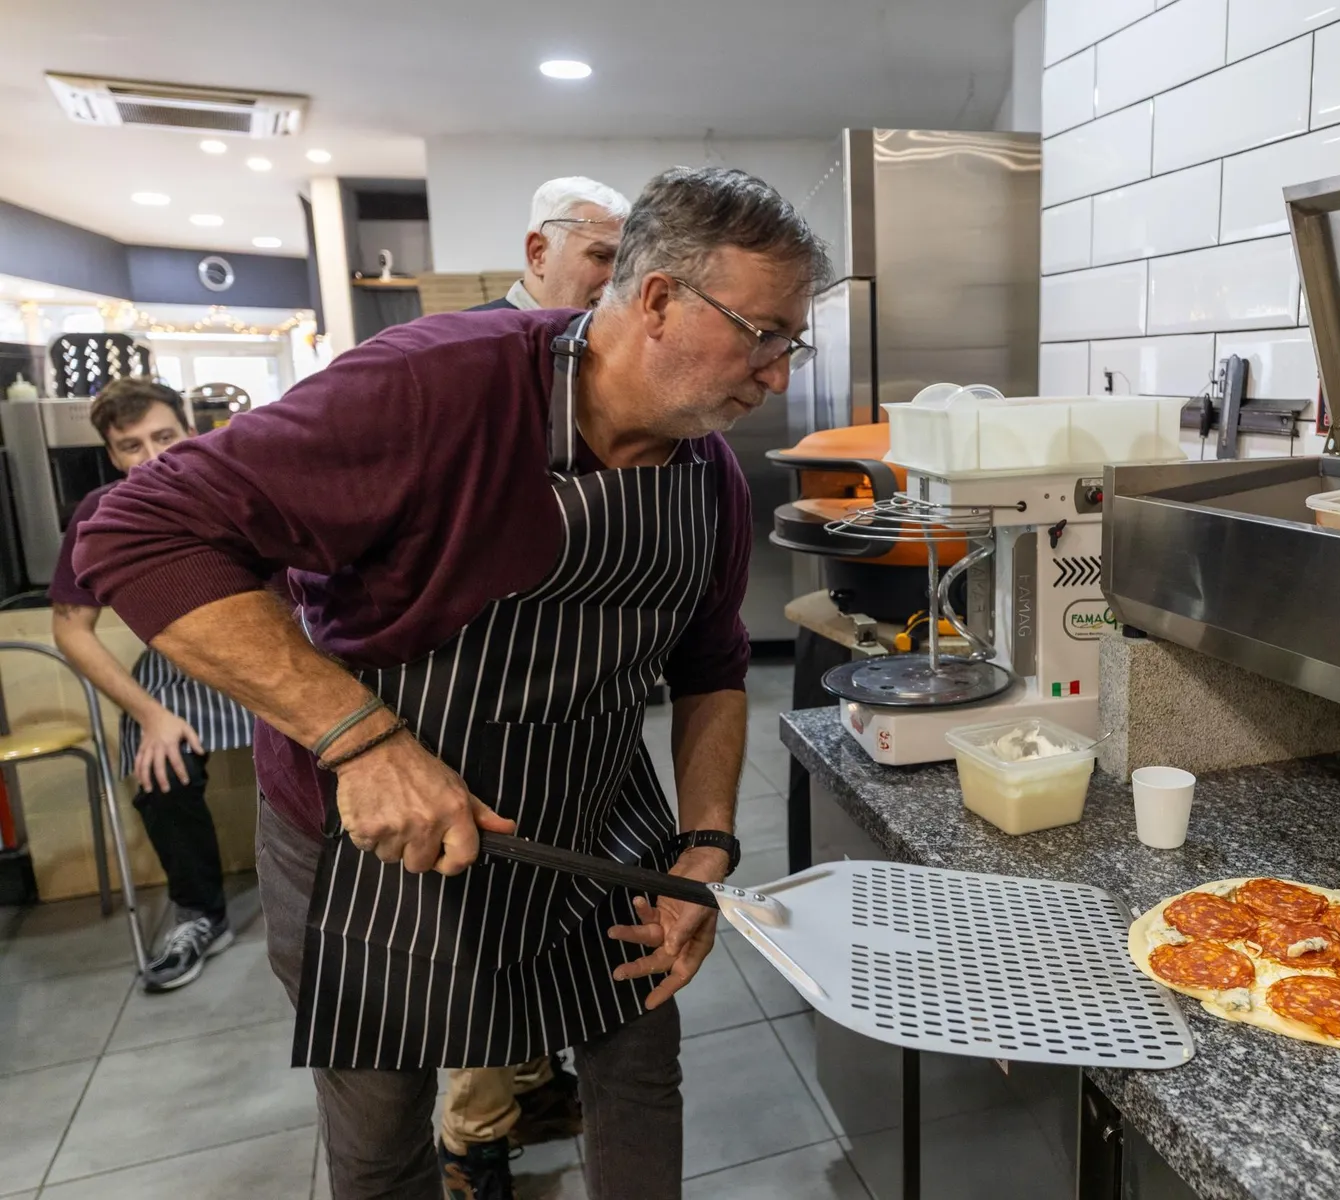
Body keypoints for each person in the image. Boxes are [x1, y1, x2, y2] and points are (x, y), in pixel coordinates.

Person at [75, 166, 829, 1200]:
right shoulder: (436, 386)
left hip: (594, 833)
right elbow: (137, 531)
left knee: (640, 1076)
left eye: (793, 340)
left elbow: (711, 666)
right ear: (659, 301)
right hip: (376, 856)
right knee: (385, 1136)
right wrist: (362, 739)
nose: (777, 372)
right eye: (764, 333)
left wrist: (703, 842)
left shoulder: (711, 475)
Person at [437, 173, 632, 1195]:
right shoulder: (463, 363)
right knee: (477, 932)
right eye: (599, 256)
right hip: (466, 706)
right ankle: (476, 1138)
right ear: (536, 248)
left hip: (564, 711)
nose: (611, 282)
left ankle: (529, 1076)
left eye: (624, 264)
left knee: (536, 914)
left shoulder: (597, 370)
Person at [48, 379, 256, 992]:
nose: (152, 457)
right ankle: (200, 917)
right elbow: (72, 631)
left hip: (268, 661)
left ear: (189, 432)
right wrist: (151, 716)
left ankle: (345, 904)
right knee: (162, 772)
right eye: (130, 445)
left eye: (164, 437)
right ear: (112, 456)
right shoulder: (101, 512)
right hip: (177, 674)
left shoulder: (238, 488)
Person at [471, 175, 631, 312]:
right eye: (601, 257)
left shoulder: (611, 344)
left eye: (624, 263)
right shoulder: (469, 341)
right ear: (538, 254)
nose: (616, 278)